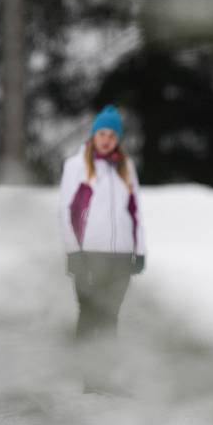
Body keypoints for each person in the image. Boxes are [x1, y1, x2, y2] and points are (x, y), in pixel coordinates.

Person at [58, 105, 145, 393]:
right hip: (88, 254)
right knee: (89, 312)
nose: (106, 139)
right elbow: (66, 211)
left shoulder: (125, 166)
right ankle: (88, 376)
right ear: (94, 135)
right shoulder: (76, 166)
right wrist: (73, 252)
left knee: (110, 316)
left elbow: (135, 211)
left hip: (120, 254)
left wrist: (139, 249)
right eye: (101, 133)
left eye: (112, 134)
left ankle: (105, 377)